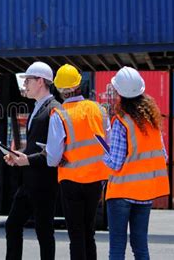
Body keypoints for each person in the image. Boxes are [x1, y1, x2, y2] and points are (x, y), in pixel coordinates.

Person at [103, 66, 169, 260]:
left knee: (117, 248)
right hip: (145, 194)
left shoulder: (121, 122)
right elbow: (162, 156)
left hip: (121, 193)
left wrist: (102, 153)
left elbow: (115, 163)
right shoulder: (153, 123)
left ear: (120, 94)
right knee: (140, 247)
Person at [46, 64, 110, 260]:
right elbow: (107, 144)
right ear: (79, 84)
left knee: (76, 234)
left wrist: (57, 157)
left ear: (60, 89)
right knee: (89, 232)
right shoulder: (99, 109)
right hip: (95, 180)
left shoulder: (59, 114)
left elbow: (53, 157)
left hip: (71, 180)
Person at [3, 62, 61, 260]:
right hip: (29, 182)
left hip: (45, 183)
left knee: (44, 232)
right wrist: (17, 156)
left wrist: (27, 160)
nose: (25, 84)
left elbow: (54, 153)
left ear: (41, 81)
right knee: (12, 225)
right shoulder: (37, 108)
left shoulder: (54, 110)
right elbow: (35, 148)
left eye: (28, 80)